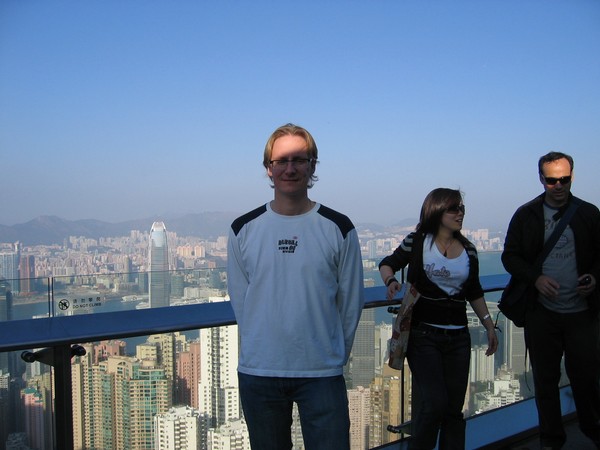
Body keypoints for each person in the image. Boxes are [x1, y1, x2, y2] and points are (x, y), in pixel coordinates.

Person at [227, 123, 365, 450]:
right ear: (269, 169)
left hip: (321, 372)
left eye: (299, 160)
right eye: (281, 161)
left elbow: (351, 301)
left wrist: (334, 356)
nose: (290, 168)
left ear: (312, 165)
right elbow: (241, 300)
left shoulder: (339, 228)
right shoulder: (242, 229)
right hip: (259, 372)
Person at [379, 188, 498, 450]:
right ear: (437, 211)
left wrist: (489, 325)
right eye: (453, 209)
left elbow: (474, 292)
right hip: (423, 335)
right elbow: (388, 263)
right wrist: (390, 281)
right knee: (433, 403)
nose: (460, 214)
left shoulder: (469, 250)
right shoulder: (418, 242)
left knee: (454, 411)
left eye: (461, 209)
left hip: (458, 337)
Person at [502, 151, 600, 449]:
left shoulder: (588, 213)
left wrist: (594, 278)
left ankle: (593, 431)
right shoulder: (526, 214)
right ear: (541, 179)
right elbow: (510, 256)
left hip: (582, 312)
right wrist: (536, 278)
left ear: (572, 177)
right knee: (545, 381)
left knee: (586, 378)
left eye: (564, 179)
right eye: (552, 180)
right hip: (542, 313)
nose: (558, 185)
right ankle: (552, 440)